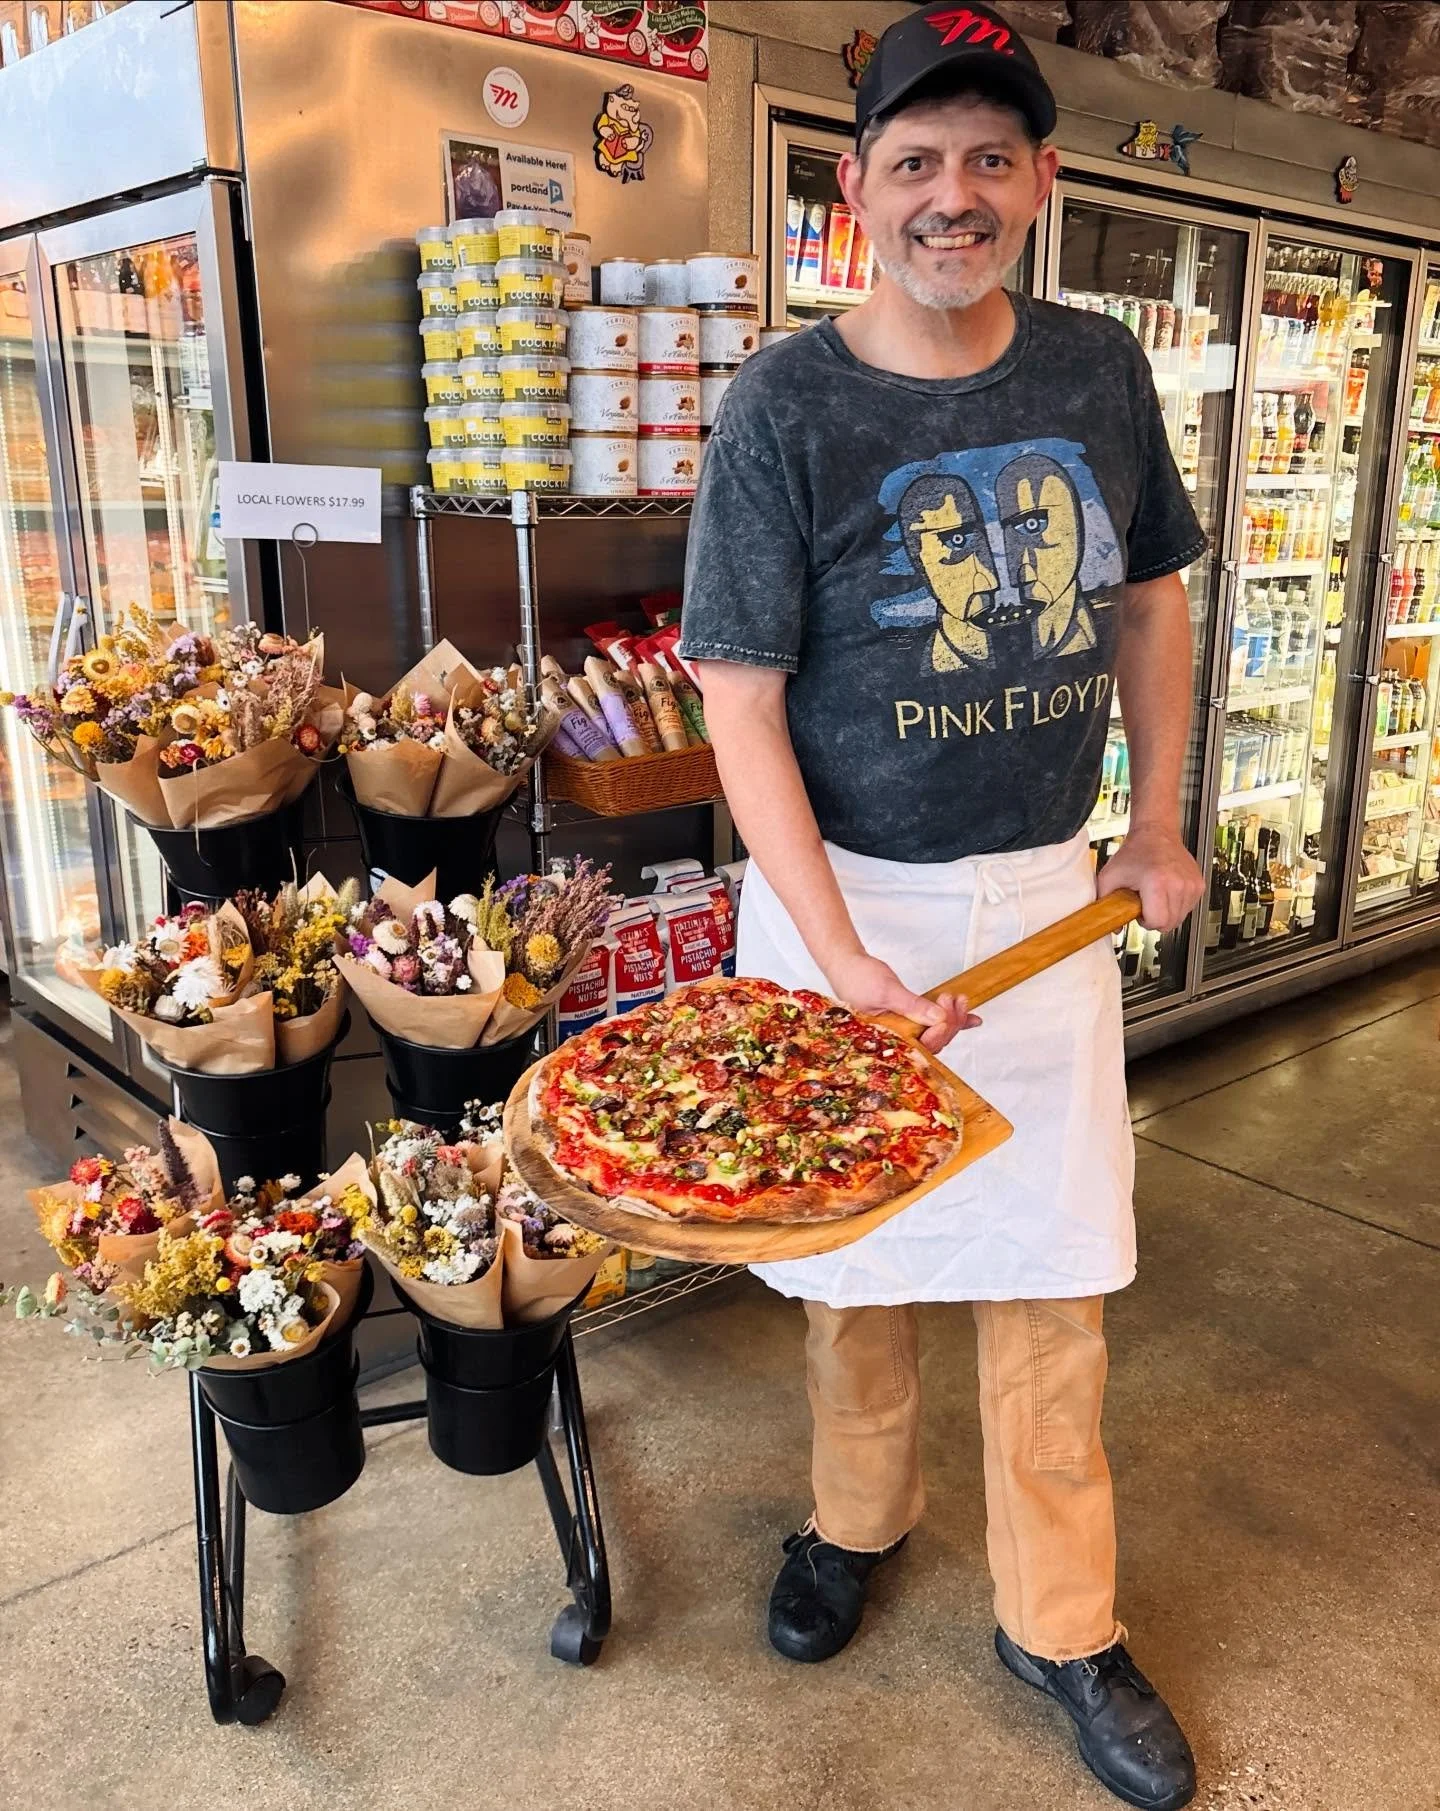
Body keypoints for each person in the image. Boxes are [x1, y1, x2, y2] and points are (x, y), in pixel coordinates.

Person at [678, 6, 1207, 1808]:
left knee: (1053, 1279)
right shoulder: (782, 405)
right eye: (917, 161)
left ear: (1043, 181)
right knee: (854, 1267)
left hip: (1045, 899)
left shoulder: (1099, 367)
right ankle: (855, 1517)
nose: (954, 195)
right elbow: (738, 697)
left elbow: (1146, 602)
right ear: (860, 189)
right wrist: (837, 961)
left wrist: (1163, 819)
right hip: (849, 909)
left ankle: (1060, 1621)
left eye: (991, 158)